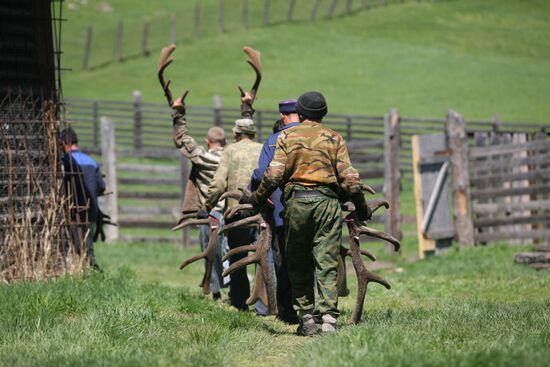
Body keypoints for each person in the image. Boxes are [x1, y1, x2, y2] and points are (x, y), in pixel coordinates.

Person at [243, 91, 372, 336]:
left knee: (298, 260)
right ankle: (329, 319)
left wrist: (256, 199)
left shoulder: (287, 136)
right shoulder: (334, 138)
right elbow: (351, 180)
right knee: (326, 260)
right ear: (323, 114)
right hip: (327, 204)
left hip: (297, 205)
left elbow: (273, 175)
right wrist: (362, 208)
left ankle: (306, 319)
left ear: (299, 113)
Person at [204, 92, 263, 312]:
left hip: (236, 212)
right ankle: (263, 304)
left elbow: (219, 183)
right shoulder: (263, 148)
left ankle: (240, 301)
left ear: (236, 133)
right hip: (259, 211)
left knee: (238, 256)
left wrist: (208, 205)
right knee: (262, 256)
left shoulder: (229, 151)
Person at [172, 96, 228, 300]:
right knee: (230, 252)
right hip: (231, 212)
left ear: (207, 141)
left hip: (209, 213)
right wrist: (246, 108)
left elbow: (183, 140)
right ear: (226, 141)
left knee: (209, 251)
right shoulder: (233, 155)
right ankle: (235, 291)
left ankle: (215, 292)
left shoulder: (202, 157)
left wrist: (179, 114)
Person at [250, 99, 300, 324]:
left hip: (283, 209)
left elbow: (262, 175)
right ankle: (316, 308)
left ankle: (287, 311)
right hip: (319, 208)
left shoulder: (273, 141)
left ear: (282, 115)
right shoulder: (321, 135)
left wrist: (255, 192)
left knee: (284, 261)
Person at [60, 126, 106, 268]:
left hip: (71, 212)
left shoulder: (64, 162)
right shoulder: (91, 161)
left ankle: (87, 272)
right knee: (87, 247)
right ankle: (89, 271)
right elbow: (101, 186)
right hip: (90, 211)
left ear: (62, 143)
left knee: (75, 248)